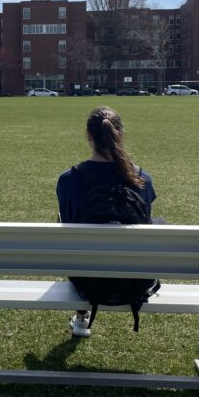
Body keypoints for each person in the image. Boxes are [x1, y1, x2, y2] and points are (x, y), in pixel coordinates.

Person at [56, 106, 157, 337]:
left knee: (70, 231)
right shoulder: (143, 179)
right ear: (120, 134)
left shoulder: (68, 181)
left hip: (86, 280)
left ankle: (82, 317)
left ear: (89, 136)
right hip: (134, 278)